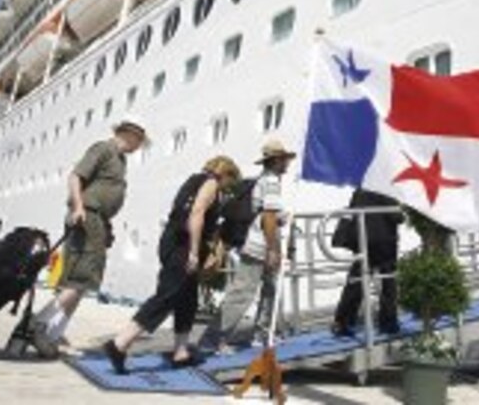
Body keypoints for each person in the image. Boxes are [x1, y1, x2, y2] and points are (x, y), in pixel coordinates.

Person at [103, 156, 242, 372]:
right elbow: (196, 215)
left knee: (187, 299)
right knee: (167, 295)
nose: (228, 188)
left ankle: (180, 352)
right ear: (226, 174)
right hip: (184, 246)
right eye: (230, 183)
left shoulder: (194, 180)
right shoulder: (211, 183)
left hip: (174, 242)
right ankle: (119, 344)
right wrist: (195, 252)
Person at [30, 115, 148, 358]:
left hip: (98, 220)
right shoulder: (103, 149)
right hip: (87, 216)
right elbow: (76, 176)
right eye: (139, 141)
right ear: (130, 134)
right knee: (81, 277)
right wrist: (78, 207)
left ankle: (53, 335)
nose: (139, 147)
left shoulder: (120, 159)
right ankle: (38, 324)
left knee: (81, 282)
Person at [198, 141, 296, 354]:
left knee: (270, 290)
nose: (288, 163)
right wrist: (273, 249)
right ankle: (212, 340)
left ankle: (263, 334)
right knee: (243, 293)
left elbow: (264, 212)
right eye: (285, 159)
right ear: (277, 160)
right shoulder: (270, 182)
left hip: (258, 243)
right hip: (261, 246)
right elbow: (268, 216)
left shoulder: (263, 179)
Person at [331, 189, 403, 337]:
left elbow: (351, 210)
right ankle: (388, 322)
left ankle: (342, 321)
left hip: (362, 239)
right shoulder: (386, 187)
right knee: (388, 281)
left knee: (356, 281)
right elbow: (396, 216)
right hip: (384, 241)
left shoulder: (361, 188)